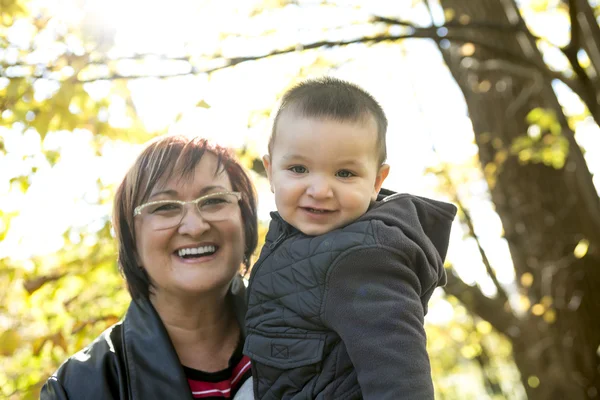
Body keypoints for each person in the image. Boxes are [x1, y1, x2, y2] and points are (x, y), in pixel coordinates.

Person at [243, 77, 457, 399]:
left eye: (344, 173)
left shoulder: (364, 258)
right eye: (299, 169)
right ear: (271, 171)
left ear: (377, 181)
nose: (320, 190)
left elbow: (400, 379)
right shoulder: (292, 244)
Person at [40, 135, 258, 400]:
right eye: (165, 207)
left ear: (244, 221)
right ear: (132, 244)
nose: (195, 226)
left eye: (213, 200)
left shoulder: (312, 332)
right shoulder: (78, 388)